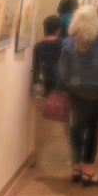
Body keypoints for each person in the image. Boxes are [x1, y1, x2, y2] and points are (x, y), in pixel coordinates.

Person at [58, 5, 98, 188]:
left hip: (75, 90)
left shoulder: (69, 42)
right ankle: (89, 172)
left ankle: (76, 169)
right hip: (97, 89)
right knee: (93, 130)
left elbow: (63, 71)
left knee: (77, 128)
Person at [32, 15, 73, 166]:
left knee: (66, 123)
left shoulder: (38, 47)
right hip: (65, 88)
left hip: (48, 90)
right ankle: (72, 155)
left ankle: (72, 152)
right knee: (70, 123)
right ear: (58, 29)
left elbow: (36, 70)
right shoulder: (65, 43)